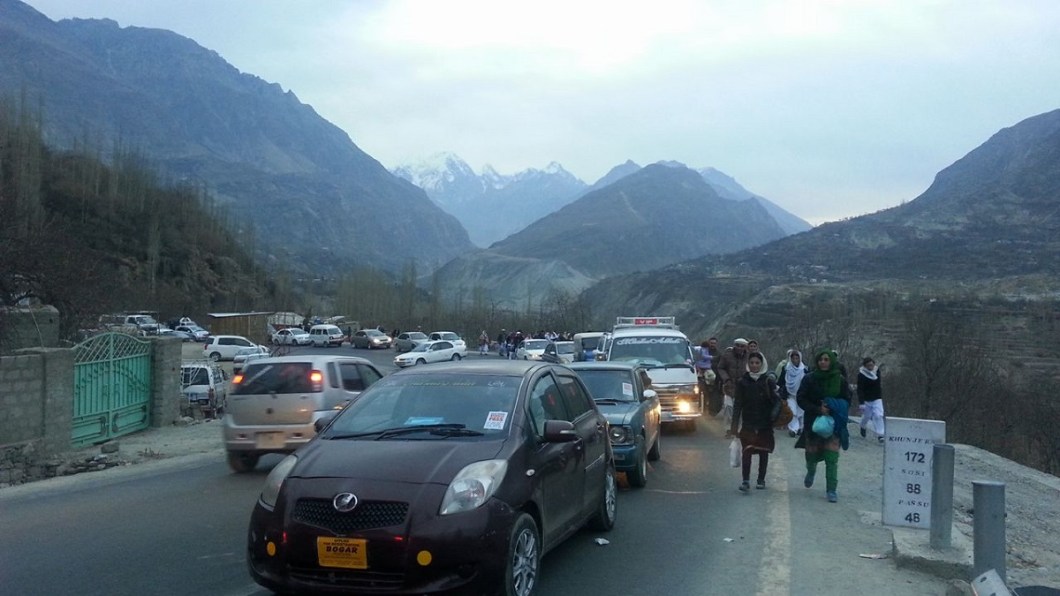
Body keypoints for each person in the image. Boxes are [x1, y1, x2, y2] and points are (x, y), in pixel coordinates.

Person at [795, 349, 851, 503]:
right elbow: (801, 398)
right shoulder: (809, 379)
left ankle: (831, 490)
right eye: (821, 359)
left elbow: (847, 399)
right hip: (813, 423)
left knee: (831, 458)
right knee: (811, 456)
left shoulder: (840, 380)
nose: (823, 362)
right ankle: (811, 472)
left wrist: (834, 407)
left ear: (832, 361)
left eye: (826, 359)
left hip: (833, 424)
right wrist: (817, 409)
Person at [730, 353, 781, 492]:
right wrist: (734, 427)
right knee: (747, 452)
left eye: (757, 363)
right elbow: (738, 405)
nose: (754, 365)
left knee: (763, 452)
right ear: (748, 364)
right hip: (748, 424)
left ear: (762, 364)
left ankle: (761, 479)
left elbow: (777, 401)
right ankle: (745, 481)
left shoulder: (768, 381)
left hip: (765, 423)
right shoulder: (742, 382)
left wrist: (773, 416)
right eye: (751, 362)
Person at [777, 350, 808, 438]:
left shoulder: (805, 370)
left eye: (797, 358)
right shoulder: (786, 369)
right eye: (793, 358)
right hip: (790, 395)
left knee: (801, 412)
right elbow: (781, 381)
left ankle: (800, 428)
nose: (795, 360)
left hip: (801, 395)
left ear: (800, 358)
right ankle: (793, 429)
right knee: (792, 411)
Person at [857, 357, 885, 443]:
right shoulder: (861, 375)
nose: (871, 367)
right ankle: (862, 426)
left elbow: (878, 384)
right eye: (869, 365)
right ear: (865, 366)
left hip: (877, 398)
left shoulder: (877, 371)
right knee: (867, 416)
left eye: (872, 365)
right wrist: (861, 402)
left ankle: (881, 435)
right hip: (866, 399)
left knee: (878, 415)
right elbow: (860, 389)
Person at [694, 340, 715, 409]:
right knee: (711, 377)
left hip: (702, 368)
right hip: (702, 369)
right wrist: (712, 357)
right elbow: (703, 356)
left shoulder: (698, 349)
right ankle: (710, 386)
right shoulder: (702, 350)